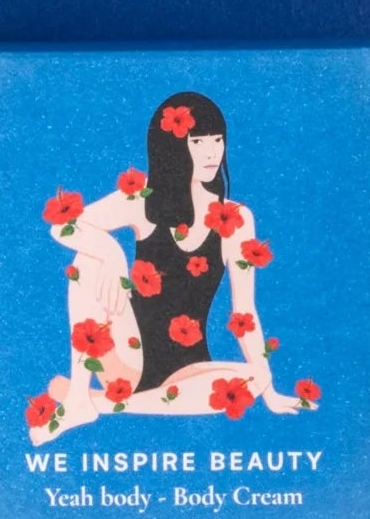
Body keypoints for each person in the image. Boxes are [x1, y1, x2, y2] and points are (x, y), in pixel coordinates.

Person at [27, 91, 308, 441]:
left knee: (258, 377)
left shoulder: (236, 218)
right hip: (125, 360)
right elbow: (63, 226)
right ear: (172, 145)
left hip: (188, 373)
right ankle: (82, 396)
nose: (212, 152)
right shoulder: (141, 198)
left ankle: (89, 402)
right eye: (198, 141)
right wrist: (112, 252)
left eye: (217, 140)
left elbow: (244, 313)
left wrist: (270, 394)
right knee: (88, 260)